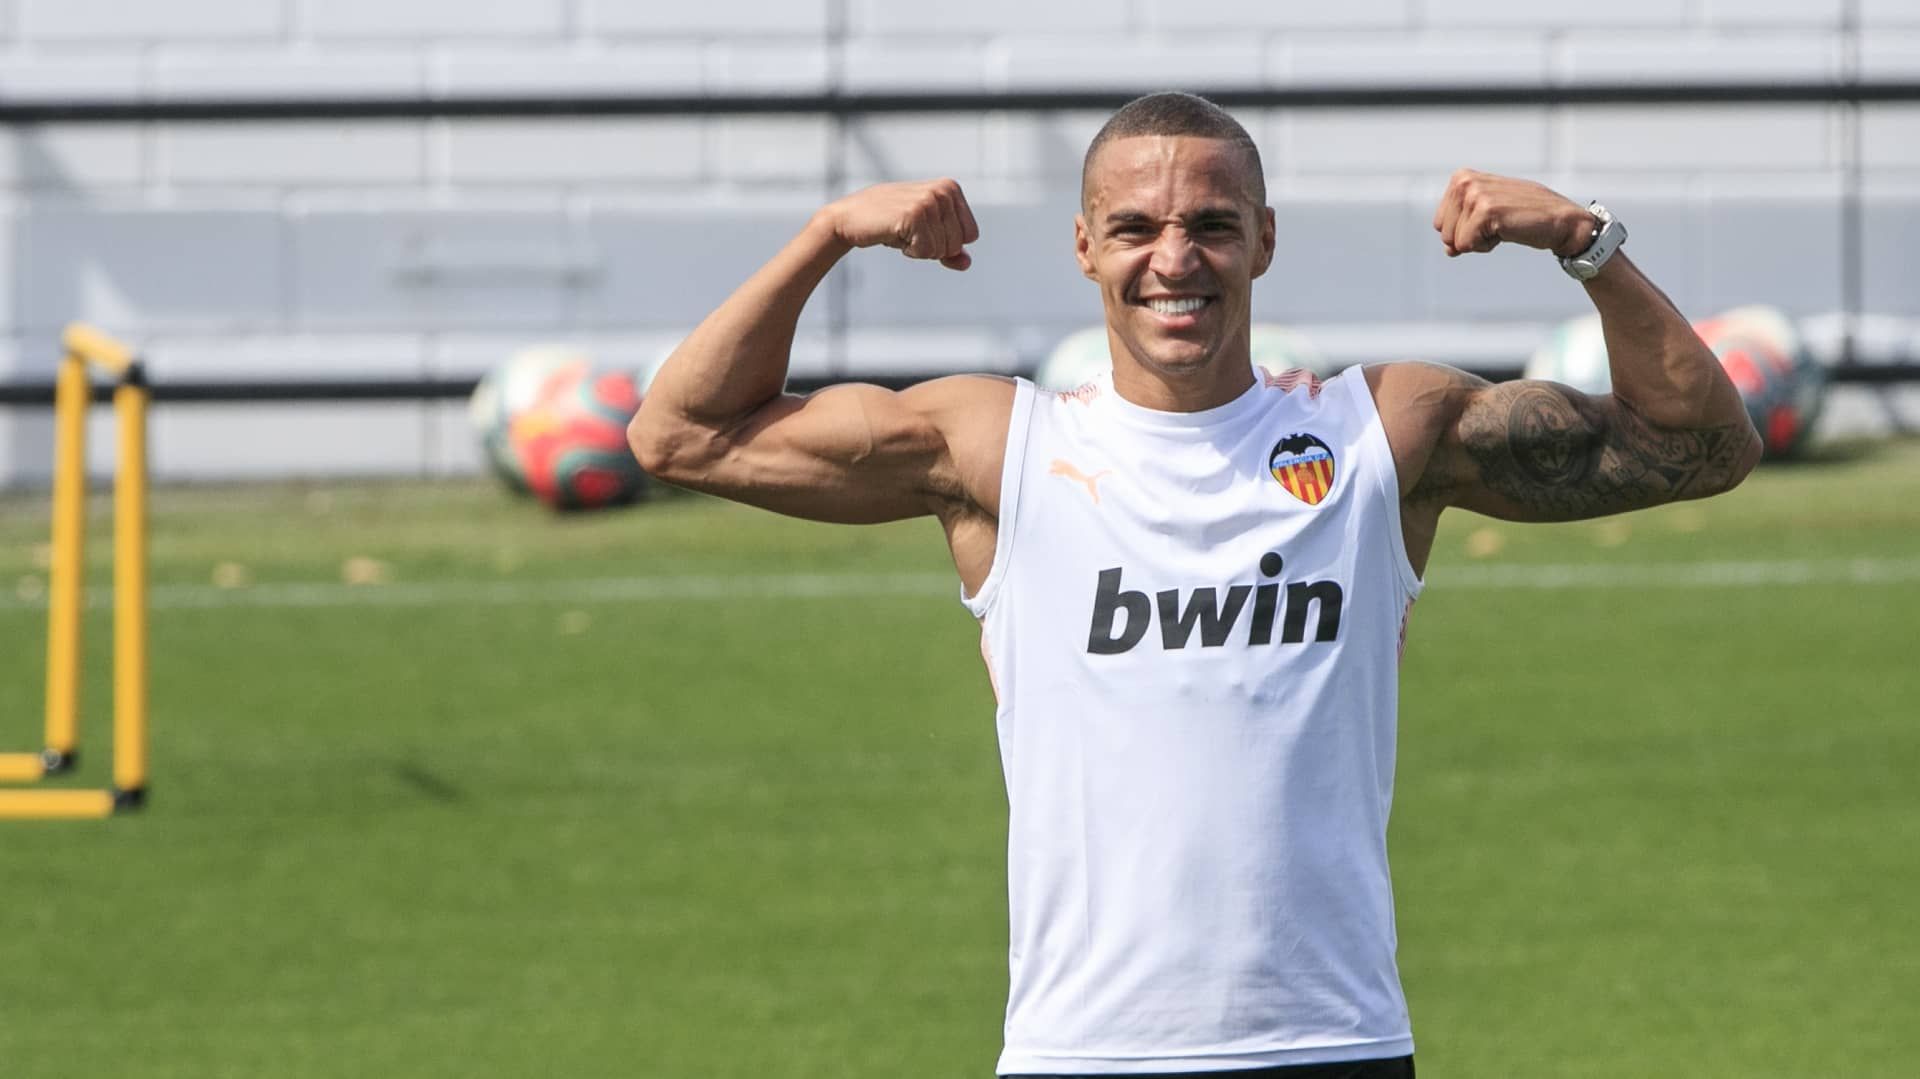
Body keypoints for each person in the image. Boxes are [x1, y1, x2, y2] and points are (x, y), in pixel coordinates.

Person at [628, 92, 1760, 1078]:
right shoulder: (997, 448)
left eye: (1212, 225)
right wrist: (828, 234)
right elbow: (679, 434)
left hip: (1332, 1041)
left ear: (1264, 240)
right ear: (1085, 246)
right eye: (1136, 227)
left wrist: (1585, 242)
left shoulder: (1382, 431)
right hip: (1082, 1050)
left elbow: (1704, 446)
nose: (1175, 258)